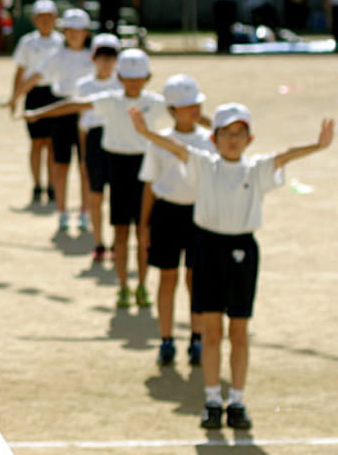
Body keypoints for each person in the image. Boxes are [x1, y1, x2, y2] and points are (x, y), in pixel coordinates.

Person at [130, 104, 333, 431]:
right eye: (226, 133)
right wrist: (145, 132)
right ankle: (212, 400)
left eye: (240, 133)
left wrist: (318, 145)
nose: (233, 140)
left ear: (250, 138)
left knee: (239, 331)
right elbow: (176, 148)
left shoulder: (256, 169)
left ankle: (236, 400)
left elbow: (285, 156)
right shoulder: (203, 164)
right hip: (208, 248)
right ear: (214, 138)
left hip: (242, 251)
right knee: (212, 331)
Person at [26, 48, 167, 309]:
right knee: (121, 231)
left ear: (147, 78)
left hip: (146, 171)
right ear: (119, 78)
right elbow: (73, 105)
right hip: (119, 168)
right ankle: (123, 286)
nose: (133, 83)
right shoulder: (110, 100)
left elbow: (187, 115)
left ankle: (142, 285)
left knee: (144, 232)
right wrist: (40, 112)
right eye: (128, 78)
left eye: (138, 78)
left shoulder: (155, 102)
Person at [138, 74, 213, 368]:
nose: (194, 110)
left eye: (196, 104)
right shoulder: (159, 141)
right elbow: (149, 184)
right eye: (186, 106)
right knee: (167, 278)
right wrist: (144, 225)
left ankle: (196, 338)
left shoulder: (209, 140)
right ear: (171, 110)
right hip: (166, 214)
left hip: (200, 216)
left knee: (196, 279)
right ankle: (166, 339)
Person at [13, 8, 93, 231]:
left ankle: (85, 211)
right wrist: (15, 97)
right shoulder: (57, 56)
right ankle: (63, 210)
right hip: (62, 112)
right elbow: (35, 76)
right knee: (60, 164)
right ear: (64, 31)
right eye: (69, 30)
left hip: (87, 113)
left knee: (86, 166)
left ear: (86, 32)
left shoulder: (94, 56)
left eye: (78, 30)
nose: (74, 34)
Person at [8, 0, 64, 209]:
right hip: (34, 94)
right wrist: (15, 97)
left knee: (52, 144)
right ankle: (37, 185)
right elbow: (20, 71)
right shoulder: (28, 42)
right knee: (37, 142)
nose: (45, 22)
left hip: (56, 93)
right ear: (34, 20)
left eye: (49, 17)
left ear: (55, 19)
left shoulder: (62, 42)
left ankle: (52, 185)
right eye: (41, 18)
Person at [75, 34, 124, 262]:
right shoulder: (84, 86)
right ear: (93, 58)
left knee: (117, 195)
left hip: (117, 139)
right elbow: (81, 123)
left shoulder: (123, 84)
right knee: (95, 194)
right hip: (95, 141)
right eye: (102, 57)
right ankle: (98, 242)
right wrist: (83, 155)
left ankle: (116, 242)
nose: (106, 62)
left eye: (111, 57)